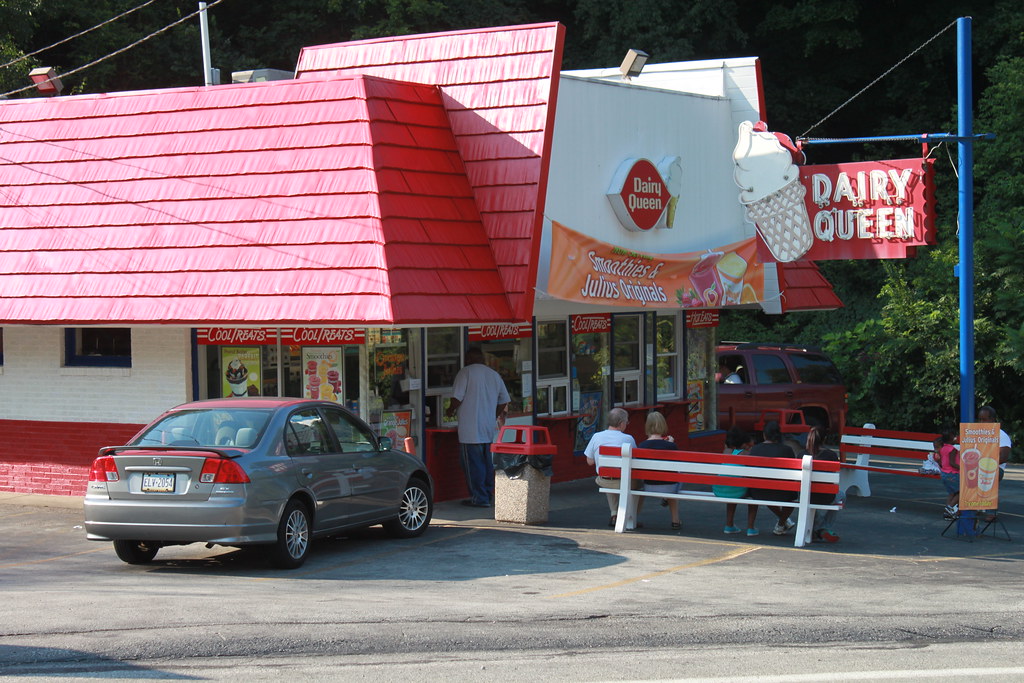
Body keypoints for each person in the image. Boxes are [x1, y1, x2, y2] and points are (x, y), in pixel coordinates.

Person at [446, 347, 510, 508]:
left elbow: (456, 398)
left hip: (470, 429)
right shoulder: (493, 375)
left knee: (473, 464)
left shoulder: (465, 372)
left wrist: (449, 410)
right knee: (486, 463)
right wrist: (493, 415)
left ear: (468, 359)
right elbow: (504, 401)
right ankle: (486, 494)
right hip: (487, 427)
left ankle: (479, 498)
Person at [584, 407, 641, 528]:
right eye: (626, 422)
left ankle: (614, 514)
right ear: (621, 424)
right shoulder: (628, 438)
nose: (627, 424)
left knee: (610, 477)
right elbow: (635, 462)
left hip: (604, 480)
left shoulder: (596, 437)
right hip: (623, 481)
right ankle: (631, 515)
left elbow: (589, 461)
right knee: (636, 483)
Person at [748, 420, 797, 535]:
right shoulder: (787, 450)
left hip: (757, 492)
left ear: (764, 434)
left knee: (765, 487)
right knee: (791, 496)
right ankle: (781, 523)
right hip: (782, 493)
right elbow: (793, 473)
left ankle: (782, 522)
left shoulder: (755, 449)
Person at [637, 411, 682, 530]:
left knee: (671, 478)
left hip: (649, 486)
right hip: (669, 487)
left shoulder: (641, 446)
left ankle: (633, 517)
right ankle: (675, 520)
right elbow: (676, 467)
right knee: (675, 478)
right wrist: (670, 443)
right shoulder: (671, 446)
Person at [716, 426, 759, 536]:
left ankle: (729, 525)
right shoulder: (743, 454)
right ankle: (751, 528)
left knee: (732, 484)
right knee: (752, 494)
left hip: (720, 490)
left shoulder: (725, 451)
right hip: (736, 491)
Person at [805, 425, 842, 543]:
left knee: (807, 496)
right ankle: (823, 528)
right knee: (842, 495)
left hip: (804, 495)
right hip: (825, 496)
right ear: (824, 439)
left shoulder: (802, 454)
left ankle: (818, 529)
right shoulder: (831, 455)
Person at [976, 405, 1012, 521]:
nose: (981, 422)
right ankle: (966, 507)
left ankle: (990, 512)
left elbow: (1004, 456)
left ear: (992, 419)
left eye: (984, 419)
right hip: (977, 466)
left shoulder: (1001, 435)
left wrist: (985, 464)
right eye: (980, 419)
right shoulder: (977, 434)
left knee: (989, 476)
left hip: (995, 468)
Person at [933, 430, 959, 518]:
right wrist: (963, 468)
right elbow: (952, 463)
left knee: (951, 493)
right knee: (961, 492)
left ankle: (947, 512)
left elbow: (942, 461)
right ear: (952, 439)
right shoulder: (953, 450)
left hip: (944, 473)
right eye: (955, 436)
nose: (957, 438)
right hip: (952, 474)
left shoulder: (942, 448)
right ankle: (950, 508)